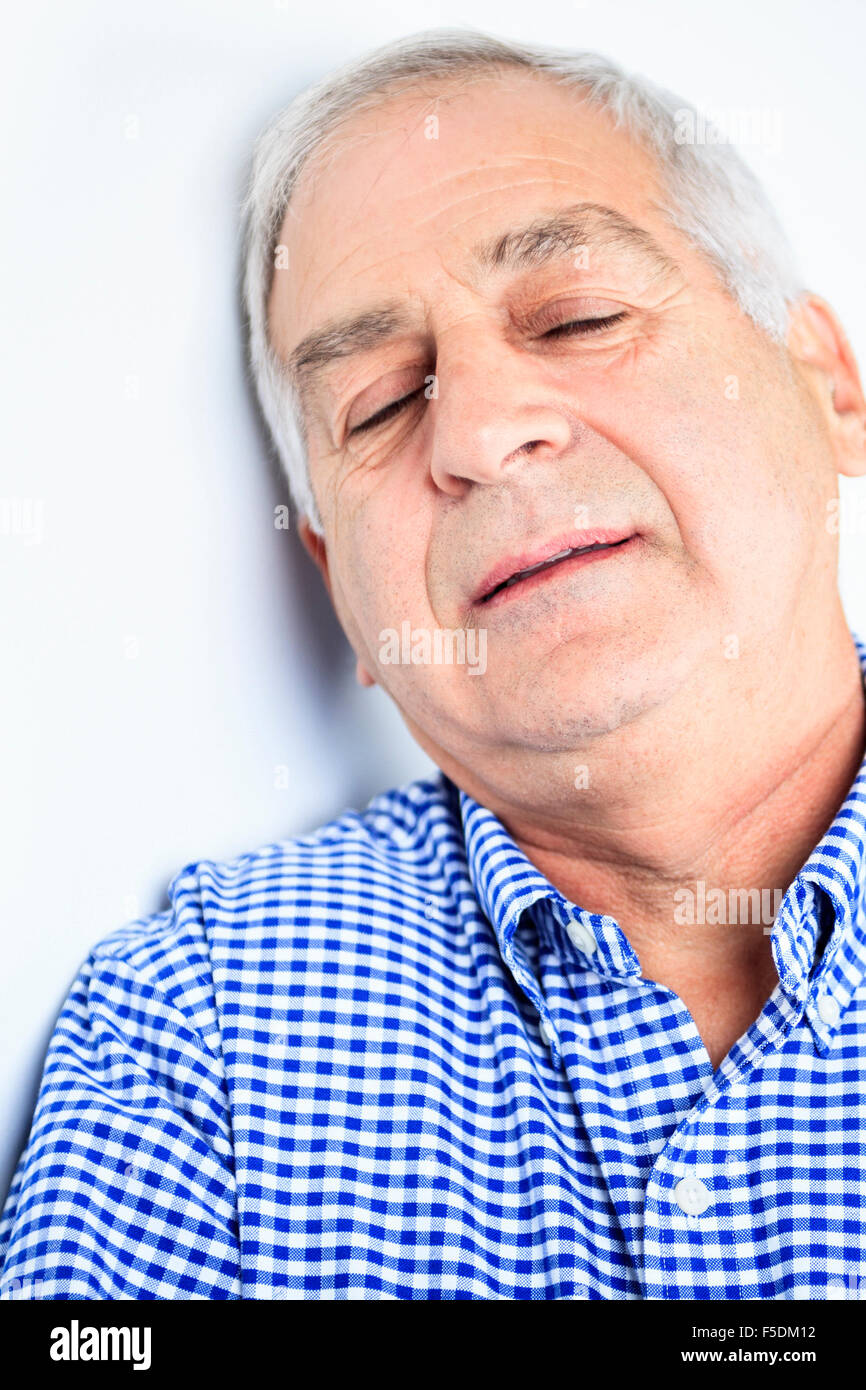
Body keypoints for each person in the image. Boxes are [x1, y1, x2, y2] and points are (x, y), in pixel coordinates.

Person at [2, 27, 866, 1301]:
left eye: (574, 315)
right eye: (379, 404)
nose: (473, 430)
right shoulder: (192, 1029)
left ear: (826, 387)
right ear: (336, 589)